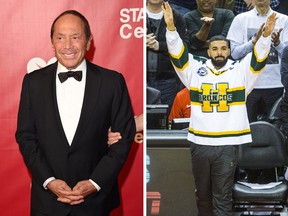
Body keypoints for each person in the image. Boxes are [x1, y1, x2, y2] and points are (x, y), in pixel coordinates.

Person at [15, 10, 136, 216]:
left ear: (88, 41)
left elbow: (123, 138)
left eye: (76, 37)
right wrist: (49, 181)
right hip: (47, 203)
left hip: (96, 203)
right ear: (52, 42)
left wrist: (95, 182)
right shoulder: (32, 82)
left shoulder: (112, 82)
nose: (68, 45)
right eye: (60, 38)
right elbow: (25, 137)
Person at [163, 1, 275, 215]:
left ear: (229, 50)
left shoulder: (241, 72)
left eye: (224, 48)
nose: (219, 52)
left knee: (222, 197)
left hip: (227, 145)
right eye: (215, 49)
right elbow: (178, 55)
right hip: (199, 143)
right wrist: (170, 29)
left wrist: (266, 37)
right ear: (209, 51)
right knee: (202, 196)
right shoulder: (195, 70)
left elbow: (259, 58)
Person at [227, 0, 288, 122]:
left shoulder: (284, 20)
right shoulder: (240, 19)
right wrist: (253, 42)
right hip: (249, 84)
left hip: (275, 84)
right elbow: (234, 54)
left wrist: (277, 43)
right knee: (247, 129)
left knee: (276, 130)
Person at [147, 0, 189, 110]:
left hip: (167, 79)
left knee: (165, 120)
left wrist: (159, 46)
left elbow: (185, 46)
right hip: (140, 78)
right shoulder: (135, 14)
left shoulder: (175, 16)